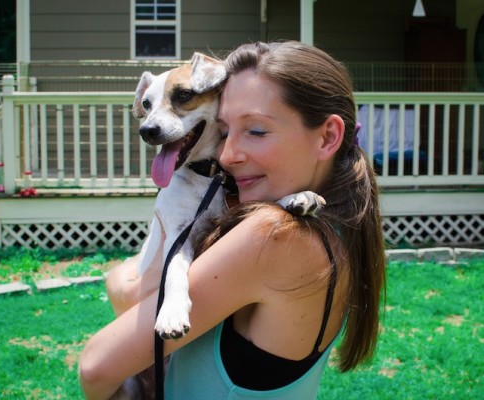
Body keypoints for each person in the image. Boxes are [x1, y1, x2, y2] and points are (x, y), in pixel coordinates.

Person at [79, 40, 386, 399]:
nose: (226, 154)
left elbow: (96, 365)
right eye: (224, 131)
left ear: (328, 136)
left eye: (255, 130)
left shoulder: (271, 236)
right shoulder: (335, 223)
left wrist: (120, 280)